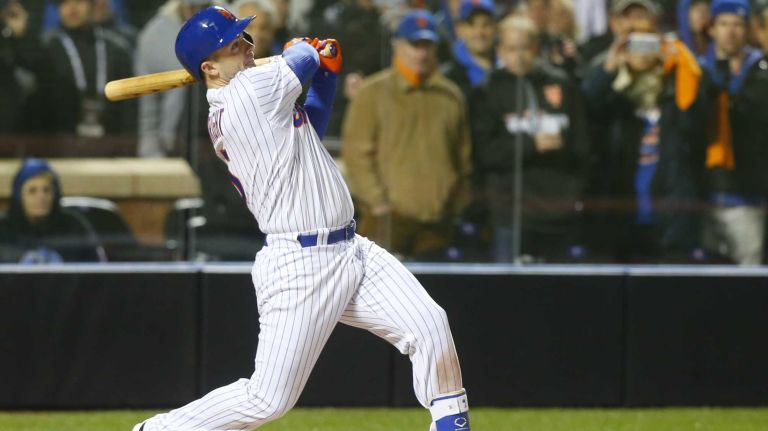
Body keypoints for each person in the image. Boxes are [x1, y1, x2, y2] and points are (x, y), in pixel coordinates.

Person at [132, 6, 470, 431]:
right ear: (209, 68)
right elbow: (299, 60)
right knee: (267, 399)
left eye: (245, 39)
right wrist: (309, 50)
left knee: (429, 325)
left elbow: (312, 119)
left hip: (351, 248)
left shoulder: (253, 93)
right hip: (300, 264)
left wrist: (325, 73)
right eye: (234, 46)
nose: (249, 48)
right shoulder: (245, 95)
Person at [342, 10, 472, 260]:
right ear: (397, 45)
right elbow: (357, 155)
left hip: (437, 225)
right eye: (414, 45)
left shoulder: (451, 96)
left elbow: (462, 159)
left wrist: (455, 204)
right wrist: (378, 204)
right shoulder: (372, 92)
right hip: (387, 224)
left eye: (428, 45)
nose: (421, 53)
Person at [580, 14, 707, 262]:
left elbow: (695, 120)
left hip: (669, 215)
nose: (641, 52)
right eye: (634, 44)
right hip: (620, 213)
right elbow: (587, 107)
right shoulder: (614, 97)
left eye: (649, 43)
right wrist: (608, 68)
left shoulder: (674, 95)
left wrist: (681, 63)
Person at [471, 15, 590, 262]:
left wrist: (573, 196)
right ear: (500, 50)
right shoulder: (488, 90)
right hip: (511, 215)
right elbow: (485, 152)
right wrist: (532, 144)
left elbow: (583, 147)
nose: (519, 55)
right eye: (512, 49)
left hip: (558, 214)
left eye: (525, 48)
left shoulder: (561, 84)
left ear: (536, 48)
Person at [699, 0, 768, 265]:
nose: (731, 31)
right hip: (703, 194)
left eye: (738, 24)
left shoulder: (762, 72)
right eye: (724, 23)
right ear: (712, 28)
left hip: (748, 195)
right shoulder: (696, 71)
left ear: (748, 30)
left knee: (748, 283)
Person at [35, 0, 135, 138]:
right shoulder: (45, 49)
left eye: (79, 1)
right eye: (64, 2)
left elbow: (129, 109)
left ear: (93, 5)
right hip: (59, 143)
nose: (72, 7)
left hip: (112, 143)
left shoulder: (117, 49)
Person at [135, 0, 214, 157]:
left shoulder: (233, 25)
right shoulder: (154, 36)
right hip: (173, 144)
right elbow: (148, 105)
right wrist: (151, 154)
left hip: (227, 145)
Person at [0, 158, 102, 263]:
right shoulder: (2, 229)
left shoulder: (74, 226)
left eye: (47, 190)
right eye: (32, 191)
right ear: (19, 196)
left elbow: (98, 272)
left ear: (55, 194)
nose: (41, 197)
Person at [442, 0, 497, 100]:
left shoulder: (508, 68)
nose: (479, 32)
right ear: (459, 30)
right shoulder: (447, 77)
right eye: (471, 25)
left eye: (486, 24)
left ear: (496, 27)